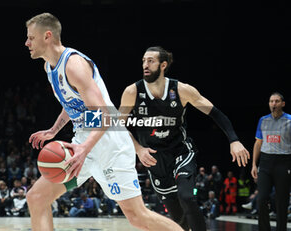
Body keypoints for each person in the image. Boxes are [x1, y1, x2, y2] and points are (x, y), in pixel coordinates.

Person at [25, 13, 183, 231]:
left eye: (31, 38)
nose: (27, 43)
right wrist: (54, 130)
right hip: (84, 144)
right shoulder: (49, 68)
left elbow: (104, 114)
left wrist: (84, 149)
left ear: (47, 36)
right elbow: (72, 102)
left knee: (138, 216)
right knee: (37, 198)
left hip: (110, 143)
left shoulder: (74, 64)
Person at [119, 46, 250, 231]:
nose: (145, 65)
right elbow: (117, 126)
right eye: (143, 61)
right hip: (154, 158)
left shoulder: (181, 90)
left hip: (180, 151)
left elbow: (216, 114)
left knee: (187, 197)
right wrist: (138, 149)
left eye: (150, 61)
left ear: (163, 65)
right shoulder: (132, 92)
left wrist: (234, 140)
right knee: (178, 219)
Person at [251, 92, 291, 231]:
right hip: (266, 162)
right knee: (262, 199)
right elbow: (258, 143)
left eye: (277, 101)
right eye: (271, 101)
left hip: (284, 162)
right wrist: (254, 165)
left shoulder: (290, 120)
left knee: (281, 202)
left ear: (283, 104)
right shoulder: (263, 120)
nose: (273, 104)